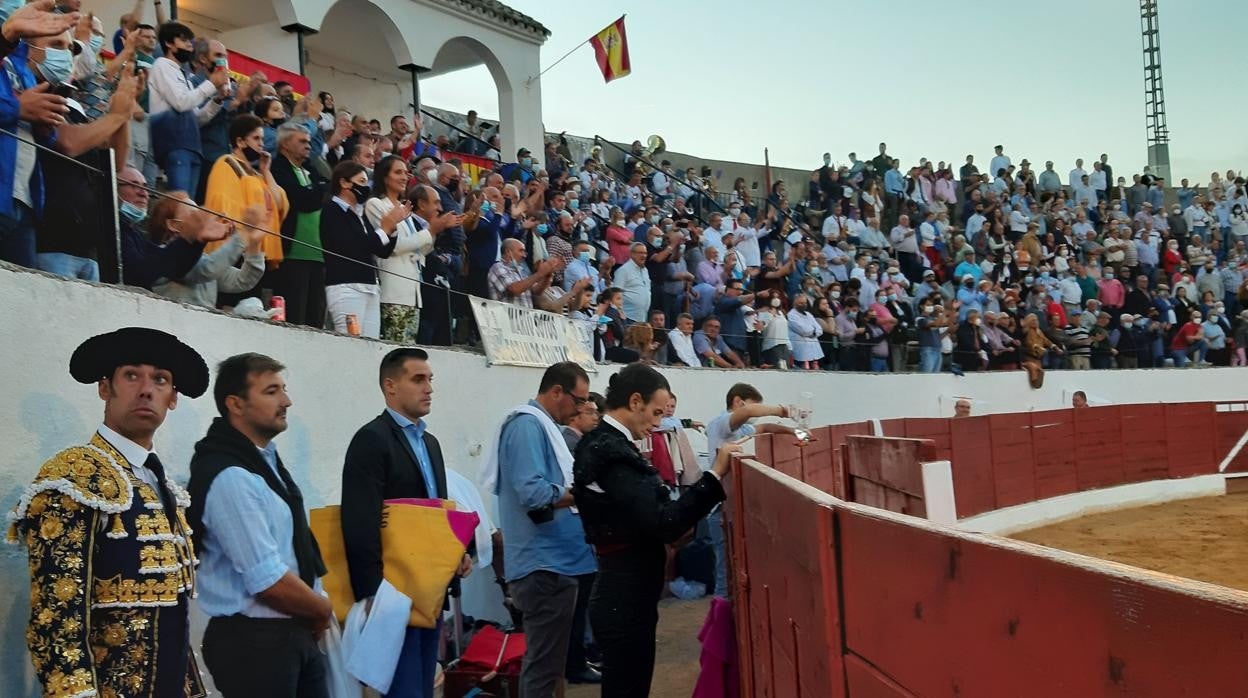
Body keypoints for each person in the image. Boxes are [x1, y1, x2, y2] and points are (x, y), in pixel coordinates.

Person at [10, 327, 209, 697]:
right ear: (105, 388)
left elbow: (173, 619)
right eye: (132, 375)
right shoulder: (73, 477)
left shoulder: (160, 484)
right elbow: (56, 623)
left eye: (160, 380)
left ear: (173, 399)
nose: (146, 389)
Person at [573, 363, 743, 698]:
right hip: (624, 593)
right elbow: (664, 522)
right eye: (655, 412)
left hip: (627, 590)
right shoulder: (609, 450)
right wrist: (714, 474)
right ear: (635, 401)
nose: (658, 422)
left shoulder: (608, 446)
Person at [188, 353, 331, 696]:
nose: (286, 401)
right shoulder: (231, 476)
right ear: (235, 404)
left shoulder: (261, 462)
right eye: (271, 391)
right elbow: (267, 581)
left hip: (285, 635)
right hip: (256, 644)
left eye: (283, 389)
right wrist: (322, 609)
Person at [341, 348, 467, 697]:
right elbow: (359, 521)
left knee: (423, 686)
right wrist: (373, 597)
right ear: (390, 387)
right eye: (418, 379)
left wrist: (457, 551)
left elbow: (438, 514)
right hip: (393, 595)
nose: (429, 388)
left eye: (430, 379)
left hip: (430, 589)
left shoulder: (431, 443)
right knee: (405, 689)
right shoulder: (371, 439)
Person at [482, 362, 598, 698]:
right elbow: (532, 493)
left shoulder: (539, 426)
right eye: (579, 401)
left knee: (549, 667)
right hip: (544, 565)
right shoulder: (527, 426)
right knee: (544, 669)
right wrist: (582, 494)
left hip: (553, 563)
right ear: (556, 392)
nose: (579, 410)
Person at [705, 384, 799, 597]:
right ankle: (720, 625)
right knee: (725, 574)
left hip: (726, 506)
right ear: (738, 402)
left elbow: (765, 428)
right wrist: (784, 411)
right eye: (756, 406)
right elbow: (748, 413)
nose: (756, 412)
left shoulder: (738, 429)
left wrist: (795, 431)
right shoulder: (722, 423)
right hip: (720, 509)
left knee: (730, 571)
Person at [320, 160, 410, 338]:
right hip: (346, 287)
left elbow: (381, 251)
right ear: (344, 183)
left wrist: (392, 228)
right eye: (361, 182)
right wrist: (386, 226)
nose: (365, 187)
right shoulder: (332, 210)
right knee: (351, 344)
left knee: (371, 344)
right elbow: (354, 247)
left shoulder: (359, 213)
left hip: (370, 286)